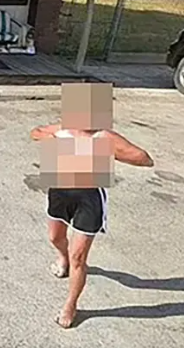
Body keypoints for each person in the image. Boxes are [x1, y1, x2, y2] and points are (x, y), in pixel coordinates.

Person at [30, 122, 154, 329]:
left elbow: (145, 159)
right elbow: (35, 132)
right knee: (55, 237)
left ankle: (71, 305)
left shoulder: (104, 137)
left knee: (78, 257)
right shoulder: (62, 129)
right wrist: (50, 141)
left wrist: (106, 154)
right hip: (59, 191)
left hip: (89, 200)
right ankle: (63, 258)